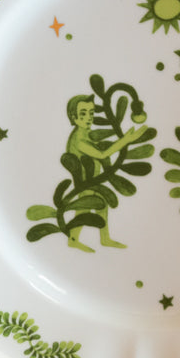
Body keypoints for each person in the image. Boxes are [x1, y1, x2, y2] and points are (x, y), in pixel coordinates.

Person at [64, 94, 147, 252]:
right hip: (85, 181)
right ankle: (73, 239)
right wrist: (126, 140)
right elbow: (102, 154)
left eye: (91, 113)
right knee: (84, 208)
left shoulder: (85, 134)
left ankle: (104, 238)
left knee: (101, 204)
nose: (88, 118)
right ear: (73, 118)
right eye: (83, 114)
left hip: (93, 179)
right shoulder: (79, 140)